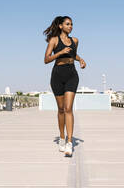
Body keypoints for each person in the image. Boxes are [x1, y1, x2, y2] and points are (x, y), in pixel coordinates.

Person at [43, 16, 86, 157]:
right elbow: (46, 59)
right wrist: (60, 53)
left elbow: (73, 55)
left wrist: (81, 60)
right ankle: (62, 137)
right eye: (68, 24)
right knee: (61, 109)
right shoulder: (54, 40)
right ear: (61, 26)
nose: (71, 26)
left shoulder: (75, 41)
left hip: (71, 75)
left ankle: (69, 142)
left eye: (72, 24)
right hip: (57, 75)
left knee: (68, 108)